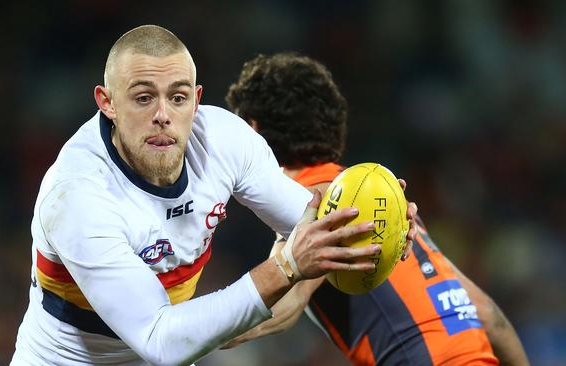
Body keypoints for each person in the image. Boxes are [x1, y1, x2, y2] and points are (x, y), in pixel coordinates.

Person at [10, 25, 417, 366]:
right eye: (143, 97)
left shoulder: (225, 142)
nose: (163, 114)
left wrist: (378, 228)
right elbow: (161, 341)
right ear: (107, 103)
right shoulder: (78, 196)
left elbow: (307, 218)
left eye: (178, 96)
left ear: (197, 100)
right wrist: (288, 266)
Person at [225, 53, 530, 365]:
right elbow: (490, 317)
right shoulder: (382, 201)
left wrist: (189, 333)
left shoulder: (314, 204)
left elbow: (280, 310)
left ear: (253, 131)